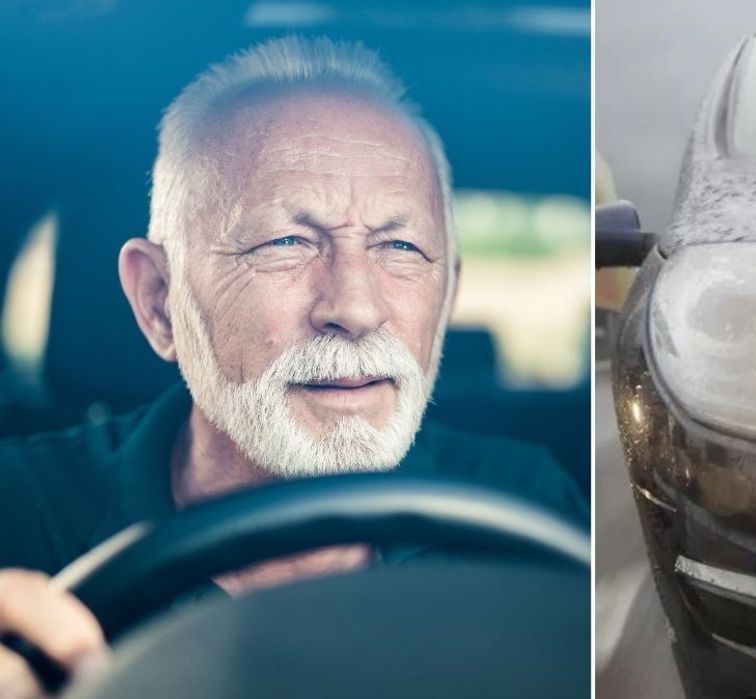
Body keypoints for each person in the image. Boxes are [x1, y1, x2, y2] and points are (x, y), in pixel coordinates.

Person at [0, 36, 586, 697]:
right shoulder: (16, 509)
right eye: (285, 242)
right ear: (159, 302)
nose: (356, 308)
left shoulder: (528, 504)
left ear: (446, 294)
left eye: (399, 245)